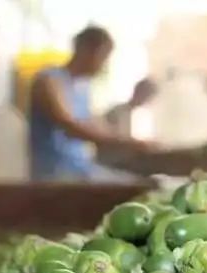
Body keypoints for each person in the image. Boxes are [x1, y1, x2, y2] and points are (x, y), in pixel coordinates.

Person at [29, 26, 148, 180]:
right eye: (103, 57)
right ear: (85, 50)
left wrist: (132, 142)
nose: (104, 65)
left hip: (80, 168)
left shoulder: (82, 87)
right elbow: (70, 127)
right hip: (55, 173)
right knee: (138, 191)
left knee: (142, 184)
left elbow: (94, 124)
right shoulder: (49, 80)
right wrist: (124, 143)